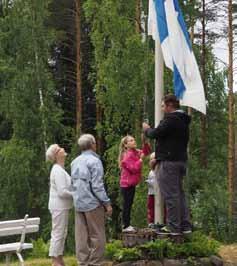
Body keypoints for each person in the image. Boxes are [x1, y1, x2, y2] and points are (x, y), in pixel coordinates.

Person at [143, 94, 192, 235]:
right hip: (180, 160)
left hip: (169, 162)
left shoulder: (171, 119)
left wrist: (146, 129)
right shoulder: (183, 120)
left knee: (171, 196)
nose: (162, 108)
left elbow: (156, 133)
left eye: (163, 106)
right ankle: (185, 225)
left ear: (170, 105)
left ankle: (173, 227)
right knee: (179, 195)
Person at [71, 134, 112, 266]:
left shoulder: (74, 162)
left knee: (81, 236)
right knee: (97, 235)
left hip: (78, 203)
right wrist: (107, 203)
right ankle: (95, 263)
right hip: (92, 203)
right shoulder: (95, 161)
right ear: (93, 145)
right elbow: (97, 185)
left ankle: (82, 263)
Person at [46, 144, 73, 266]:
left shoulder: (60, 169)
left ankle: (59, 258)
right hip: (59, 206)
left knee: (62, 232)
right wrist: (76, 193)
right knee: (58, 233)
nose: (63, 149)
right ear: (57, 155)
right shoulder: (57, 170)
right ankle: (55, 261)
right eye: (60, 148)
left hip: (62, 206)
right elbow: (62, 192)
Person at [119, 135, 150, 233]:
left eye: (134, 140)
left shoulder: (135, 152)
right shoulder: (127, 155)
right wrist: (140, 160)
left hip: (131, 184)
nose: (134, 141)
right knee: (127, 204)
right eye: (131, 140)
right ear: (126, 145)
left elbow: (146, 152)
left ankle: (127, 224)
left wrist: (145, 142)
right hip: (126, 184)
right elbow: (134, 168)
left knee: (129, 203)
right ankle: (126, 225)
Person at [146, 152, 157, 227]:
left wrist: (150, 182)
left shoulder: (160, 171)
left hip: (160, 194)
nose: (153, 161)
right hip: (151, 193)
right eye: (152, 159)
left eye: (154, 159)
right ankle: (151, 222)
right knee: (151, 207)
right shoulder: (151, 172)